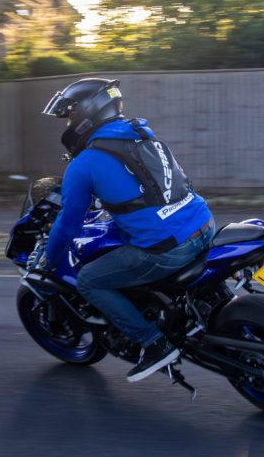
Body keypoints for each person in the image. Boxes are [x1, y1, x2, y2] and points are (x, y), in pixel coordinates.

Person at [40, 78, 216, 382]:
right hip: (204, 223)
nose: (68, 122)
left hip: (168, 249)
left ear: (85, 114)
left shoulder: (85, 164)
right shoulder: (143, 135)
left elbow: (67, 224)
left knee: (90, 280)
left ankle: (153, 342)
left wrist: (48, 260)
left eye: (70, 114)